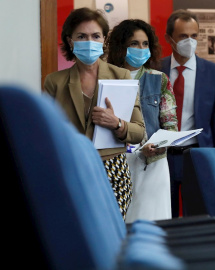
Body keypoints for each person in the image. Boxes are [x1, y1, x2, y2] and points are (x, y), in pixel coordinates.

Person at [43, 7, 145, 220]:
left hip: (113, 169)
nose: (89, 41)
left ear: (103, 40)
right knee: (79, 235)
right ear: (70, 42)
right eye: (82, 36)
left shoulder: (121, 76)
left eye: (95, 36)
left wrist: (116, 123)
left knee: (109, 233)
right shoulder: (55, 82)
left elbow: (138, 133)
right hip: (71, 169)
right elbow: (45, 135)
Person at [105, 19, 178, 222]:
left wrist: (158, 145)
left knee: (154, 226)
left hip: (153, 164)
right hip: (117, 163)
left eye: (145, 44)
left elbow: (170, 124)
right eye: (134, 43)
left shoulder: (160, 79)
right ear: (121, 46)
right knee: (120, 225)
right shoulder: (106, 78)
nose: (141, 48)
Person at [161, 9, 215, 218]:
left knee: (198, 216)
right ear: (169, 39)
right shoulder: (156, 69)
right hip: (162, 156)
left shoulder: (214, 73)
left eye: (194, 36)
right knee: (165, 216)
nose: (189, 41)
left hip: (198, 155)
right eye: (183, 36)